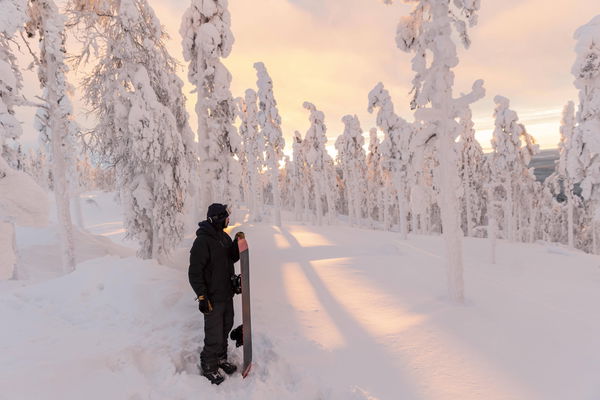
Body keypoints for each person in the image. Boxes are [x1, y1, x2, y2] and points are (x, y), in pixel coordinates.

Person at [189, 203, 243, 385]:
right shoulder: (202, 242)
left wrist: (237, 243)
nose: (229, 219)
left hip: (227, 294)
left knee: (226, 328)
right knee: (213, 333)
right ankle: (209, 366)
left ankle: (220, 359)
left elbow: (231, 257)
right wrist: (202, 297)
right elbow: (194, 272)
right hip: (212, 298)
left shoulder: (223, 237)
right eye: (226, 216)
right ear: (218, 218)